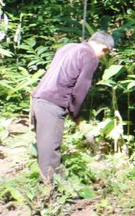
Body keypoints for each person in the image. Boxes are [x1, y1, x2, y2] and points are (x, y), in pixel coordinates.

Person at [30, 30, 114, 184]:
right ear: (105, 49)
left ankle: (60, 189)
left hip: (37, 100)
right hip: (52, 105)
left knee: (45, 151)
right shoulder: (90, 56)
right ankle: (51, 193)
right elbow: (80, 89)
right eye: (105, 54)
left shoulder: (67, 47)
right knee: (50, 155)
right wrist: (76, 113)